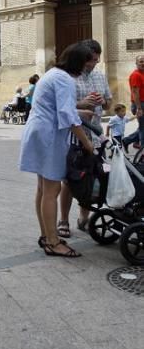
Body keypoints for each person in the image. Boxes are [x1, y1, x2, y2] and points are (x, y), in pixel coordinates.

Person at [19, 43, 95, 257]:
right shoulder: (65, 79)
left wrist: (79, 111)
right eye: (89, 61)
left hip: (39, 131)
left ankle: (46, 235)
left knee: (44, 189)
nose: (90, 65)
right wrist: (87, 144)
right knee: (52, 190)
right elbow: (66, 115)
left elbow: (56, 106)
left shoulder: (53, 73)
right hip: (48, 136)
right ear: (78, 62)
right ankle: (53, 242)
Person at [58, 39, 112, 236]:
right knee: (70, 180)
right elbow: (63, 108)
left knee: (92, 178)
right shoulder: (68, 77)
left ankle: (84, 217)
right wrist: (83, 103)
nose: (94, 64)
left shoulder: (99, 76)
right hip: (74, 136)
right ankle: (63, 220)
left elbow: (108, 104)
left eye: (97, 60)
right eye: (91, 60)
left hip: (95, 134)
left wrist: (102, 101)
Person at [122, 54, 144, 153]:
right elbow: (135, 93)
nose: (143, 63)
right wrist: (139, 108)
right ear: (136, 63)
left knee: (142, 127)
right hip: (140, 104)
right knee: (143, 128)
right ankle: (142, 153)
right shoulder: (136, 75)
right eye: (141, 61)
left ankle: (126, 141)